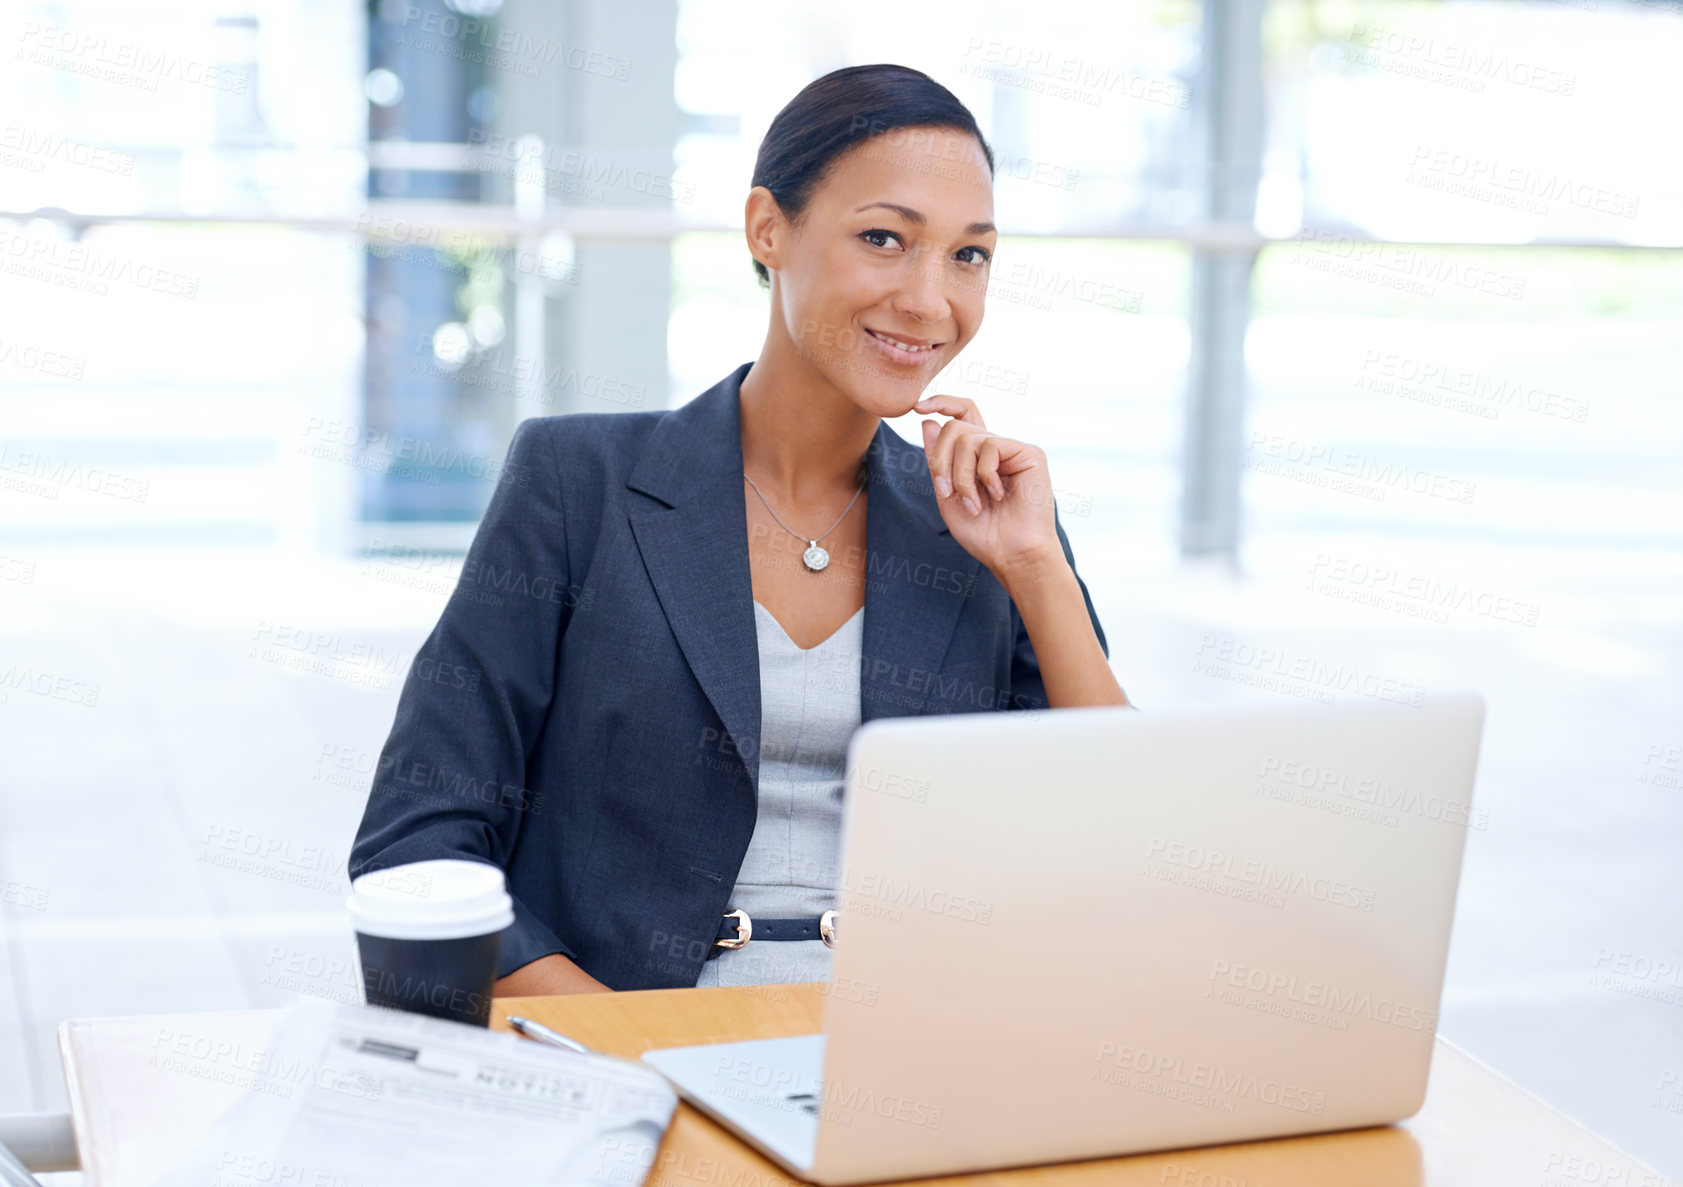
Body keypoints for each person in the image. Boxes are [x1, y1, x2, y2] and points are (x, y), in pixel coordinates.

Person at [348, 62, 1130, 998]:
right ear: (769, 227)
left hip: (912, 1039)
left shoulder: (983, 522)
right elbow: (416, 843)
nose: (931, 299)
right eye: (884, 238)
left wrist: (1036, 569)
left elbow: (1112, 848)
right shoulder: (577, 482)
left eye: (969, 254)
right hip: (633, 1034)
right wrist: (639, 1059)